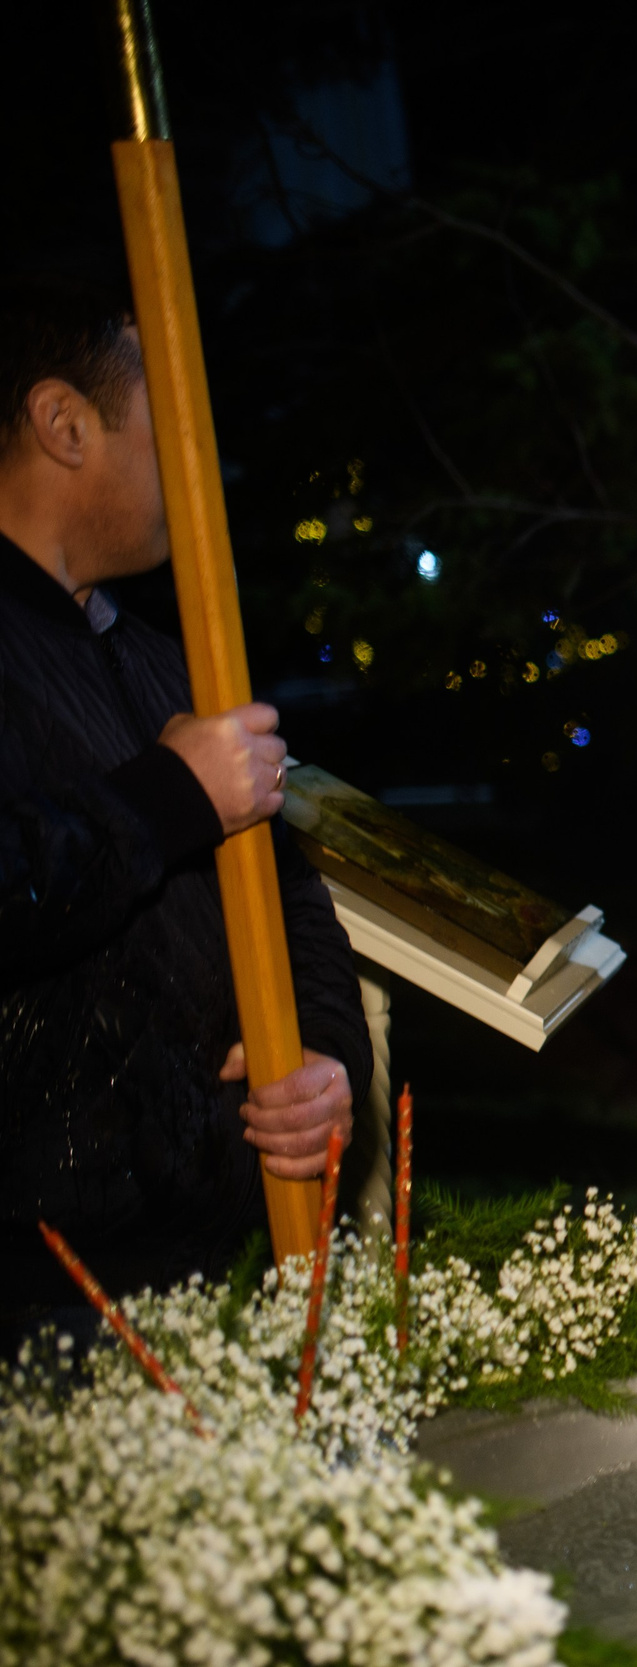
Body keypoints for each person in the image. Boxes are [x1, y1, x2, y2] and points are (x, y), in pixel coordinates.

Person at [1, 278, 364, 1331]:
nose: (197, 458)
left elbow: (292, 901)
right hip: (43, 1290)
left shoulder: (169, 661)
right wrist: (169, 798)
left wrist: (327, 1053)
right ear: (66, 423)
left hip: (216, 1256)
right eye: (173, 418)